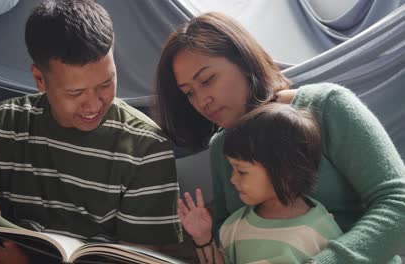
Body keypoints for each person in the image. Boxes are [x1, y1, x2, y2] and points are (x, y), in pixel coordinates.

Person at [0, 0, 182, 263]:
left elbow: (140, 259)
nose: (94, 104)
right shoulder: (3, 121)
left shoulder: (147, 146)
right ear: (39, 79)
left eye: (106, 83)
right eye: (75, 93)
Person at [154, 12, 405, 263]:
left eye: (208, 80)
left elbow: (398, 202)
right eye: (188, 93)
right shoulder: (221, 147)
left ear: (243, 60)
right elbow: (227, 235)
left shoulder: (327, 106)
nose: (201, 101)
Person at [179, 103, 343, 264]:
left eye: (241, 171)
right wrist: (202, 237)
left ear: (283, 173)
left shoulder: (321, 230)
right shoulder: (235, 225)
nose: (232, 179)